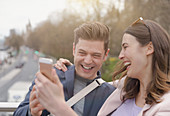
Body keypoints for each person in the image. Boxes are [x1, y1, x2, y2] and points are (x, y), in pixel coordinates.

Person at [33, 17, 170, 116]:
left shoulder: (166, 106)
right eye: (82, 52)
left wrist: (60, 108)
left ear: (149, 48)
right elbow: (93, 83)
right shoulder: (126, 88)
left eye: (126, 47)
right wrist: (71, 68)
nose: (121, 55)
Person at [13, 22, 116, 116]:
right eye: (82, 53)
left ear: (105, 54)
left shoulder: (111, 96)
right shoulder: (50, 78)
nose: (88, 61)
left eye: (96, 55)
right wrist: (31, 113)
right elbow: (18, 113)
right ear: (74, 49)